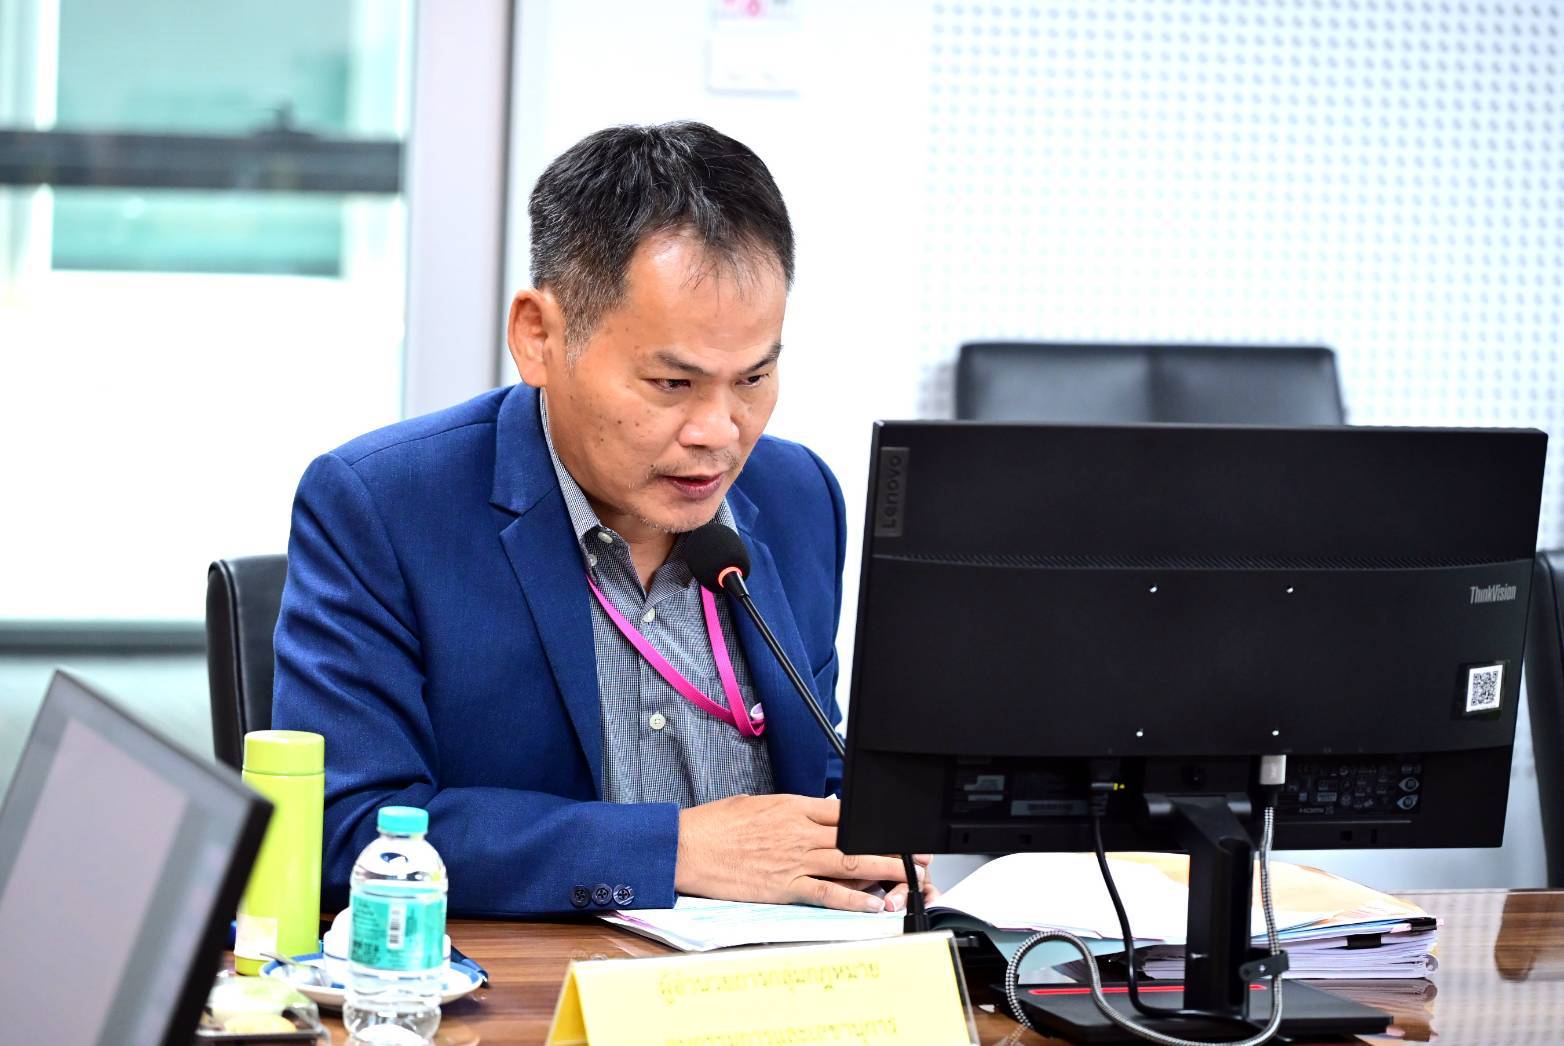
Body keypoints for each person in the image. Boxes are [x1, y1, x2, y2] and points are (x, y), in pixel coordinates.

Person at [272, 122, 928, 917]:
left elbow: (817, 771)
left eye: (753, 378)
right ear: (539, 337)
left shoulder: (799, 497)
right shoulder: (385, 507)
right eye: (672, 384)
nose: (719, 432)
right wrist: (674, 850)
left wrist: (865, 851)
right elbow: (348, 832)